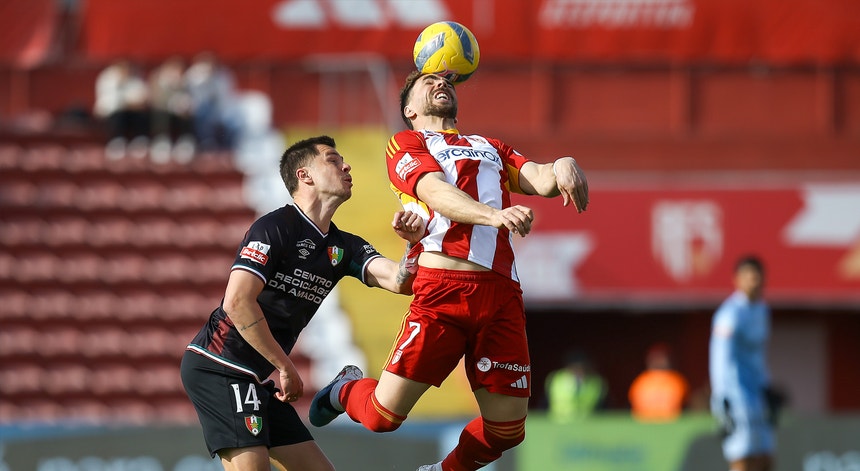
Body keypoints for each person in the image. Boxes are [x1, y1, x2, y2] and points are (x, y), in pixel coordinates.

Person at [308, 71, 589, 471]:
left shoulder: (489, 146)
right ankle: (343, 389)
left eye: (447, 82)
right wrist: (494, 215)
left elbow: (540, 178)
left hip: (501, 295)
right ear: (409, 109)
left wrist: (563, 164)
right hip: (444, 292)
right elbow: (436, 192)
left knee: (507, 431)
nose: (441, 84)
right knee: (381, 418)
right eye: (428, 82)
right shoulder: (406, 143)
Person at [179, 135, 426, 471]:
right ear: (304, 176)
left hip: (256, 376)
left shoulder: (344, 247)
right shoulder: (274, 228)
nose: (346, 165)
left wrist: (413, 247)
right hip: (221, 366)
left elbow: (401, 282)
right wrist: (284, 366)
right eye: (333, 160)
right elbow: (238, 303)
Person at [709, 255, 777, 471]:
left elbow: (758, 355)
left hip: (757, 393)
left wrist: (766, 385)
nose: (753, 282)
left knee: (765, 454)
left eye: (757, 277)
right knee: (742, 454)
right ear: (736, 280)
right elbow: (719, 357)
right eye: (748, 277)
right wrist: (722, 397)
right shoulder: (729, 314)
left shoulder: (763, 310)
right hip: (736, 394)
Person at [628, 342, 689, 422]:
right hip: (645, 422)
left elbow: (684, 403)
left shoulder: (676, 381)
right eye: (656, 359)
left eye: (661, 359)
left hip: (670, 422)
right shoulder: (641, 381)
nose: (659, 362)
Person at [545, 350, 607, 422]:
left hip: (586, 424)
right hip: (559, 423)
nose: (578, 371)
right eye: (575, 368)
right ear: (568, 367)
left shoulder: (596, 382)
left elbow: (603, 408)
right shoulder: (555, 379)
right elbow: (544, 405)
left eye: (582, 368)